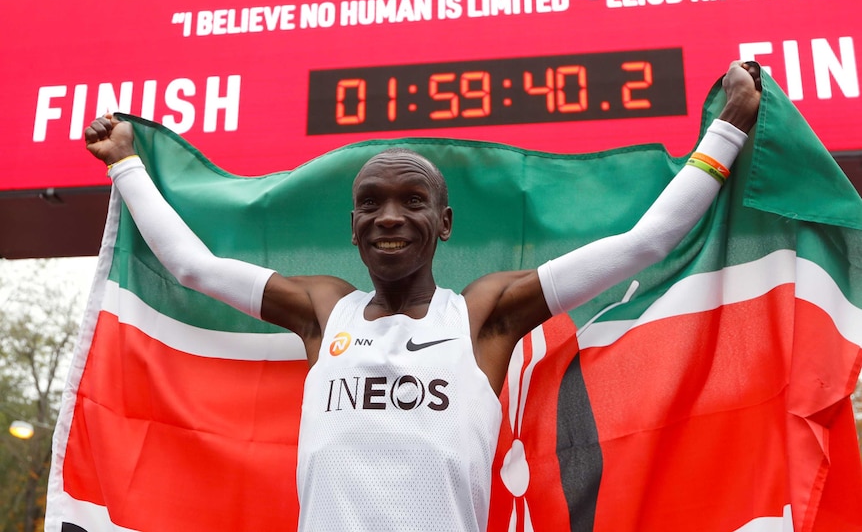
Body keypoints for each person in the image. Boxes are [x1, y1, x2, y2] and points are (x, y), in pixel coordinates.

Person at [84, 61, 761, 532]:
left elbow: (644, 243)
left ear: (444, 222)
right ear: (351, 226)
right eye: (369, 203)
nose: (388, 215)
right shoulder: (326, 310)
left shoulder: (482, 316)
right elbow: (192, 264)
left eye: (413, 200)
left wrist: (728, 128)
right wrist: (126, 163)